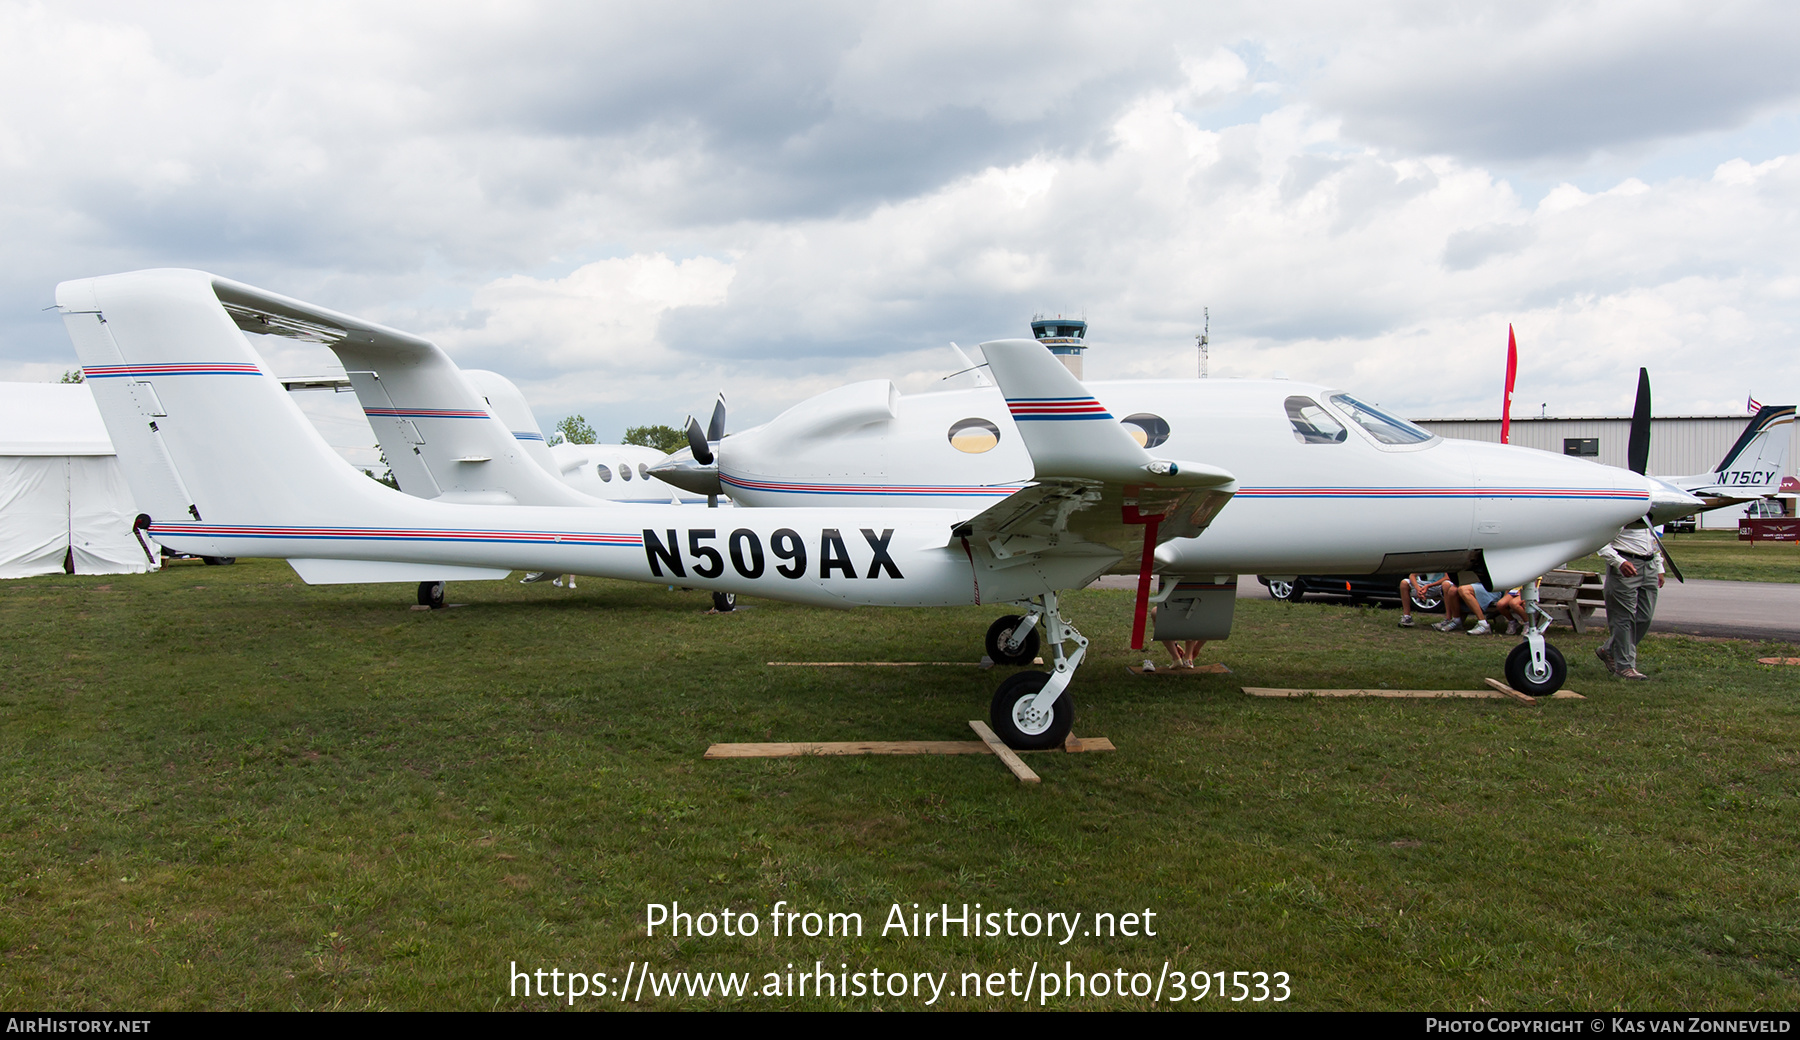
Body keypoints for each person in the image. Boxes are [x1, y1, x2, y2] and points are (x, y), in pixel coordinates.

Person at [1595, 520, 1664, 680]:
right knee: (1623, 618)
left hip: (1650, 563)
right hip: (1625, 561)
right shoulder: (1623, 510)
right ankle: (1625, 667)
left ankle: (1610, 650)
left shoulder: (1654, 511)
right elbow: (1599, 541)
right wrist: (1619, 562)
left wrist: (1659, 567)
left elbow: (1654, 539)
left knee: (1644, 617)